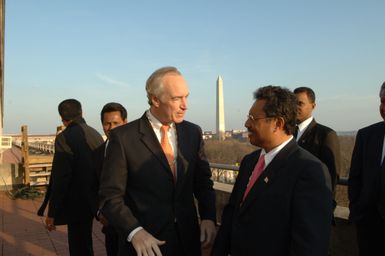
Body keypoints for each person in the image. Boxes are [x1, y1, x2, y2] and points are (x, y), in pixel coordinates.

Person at [98, 66, 216, 256]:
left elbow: (203, 182)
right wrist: (134, 231)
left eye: (186, 96)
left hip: (188, 241)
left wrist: (209, 217)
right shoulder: (123, 137)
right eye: (176, 98)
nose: (185, 105)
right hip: (145, 246)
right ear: (155, 99)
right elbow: (110, 197)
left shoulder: (193, 132)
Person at [212, 85, 333, 256]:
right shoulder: (249, 162)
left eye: (253, 118)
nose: (246, 123)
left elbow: (309, 245)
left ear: (277, 123)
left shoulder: (309, 171)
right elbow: (232, 216)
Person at [37, 99, 104, 256]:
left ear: (62, 118)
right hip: (93, 198)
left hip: (76, 201)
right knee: (85, 241)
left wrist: (52, 212)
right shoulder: (95, 134)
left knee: (78, 245)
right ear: (82, 112)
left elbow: (61, 178)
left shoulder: (64, 137)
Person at [348, 82, 385, 255]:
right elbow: (355, 176)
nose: (384, 107)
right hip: (367, 224)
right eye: (383, 101)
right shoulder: (366, 135)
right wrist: (356, 207)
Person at [294, 87, 341, 212]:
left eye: (300, 103)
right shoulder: (287, 133)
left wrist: (325, 208)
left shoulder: (326, 134)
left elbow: (332, 176)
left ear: (313, 106)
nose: (295, 107)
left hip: (312, 207)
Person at [94, 102, 128, 256]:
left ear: (125, 122)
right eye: (107, 124)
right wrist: (100, 212)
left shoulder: (139, 151)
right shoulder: (97, 154)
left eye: (116, 123)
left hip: (137, 222)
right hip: (110, 225)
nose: (112, 128)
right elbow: (93, 186)